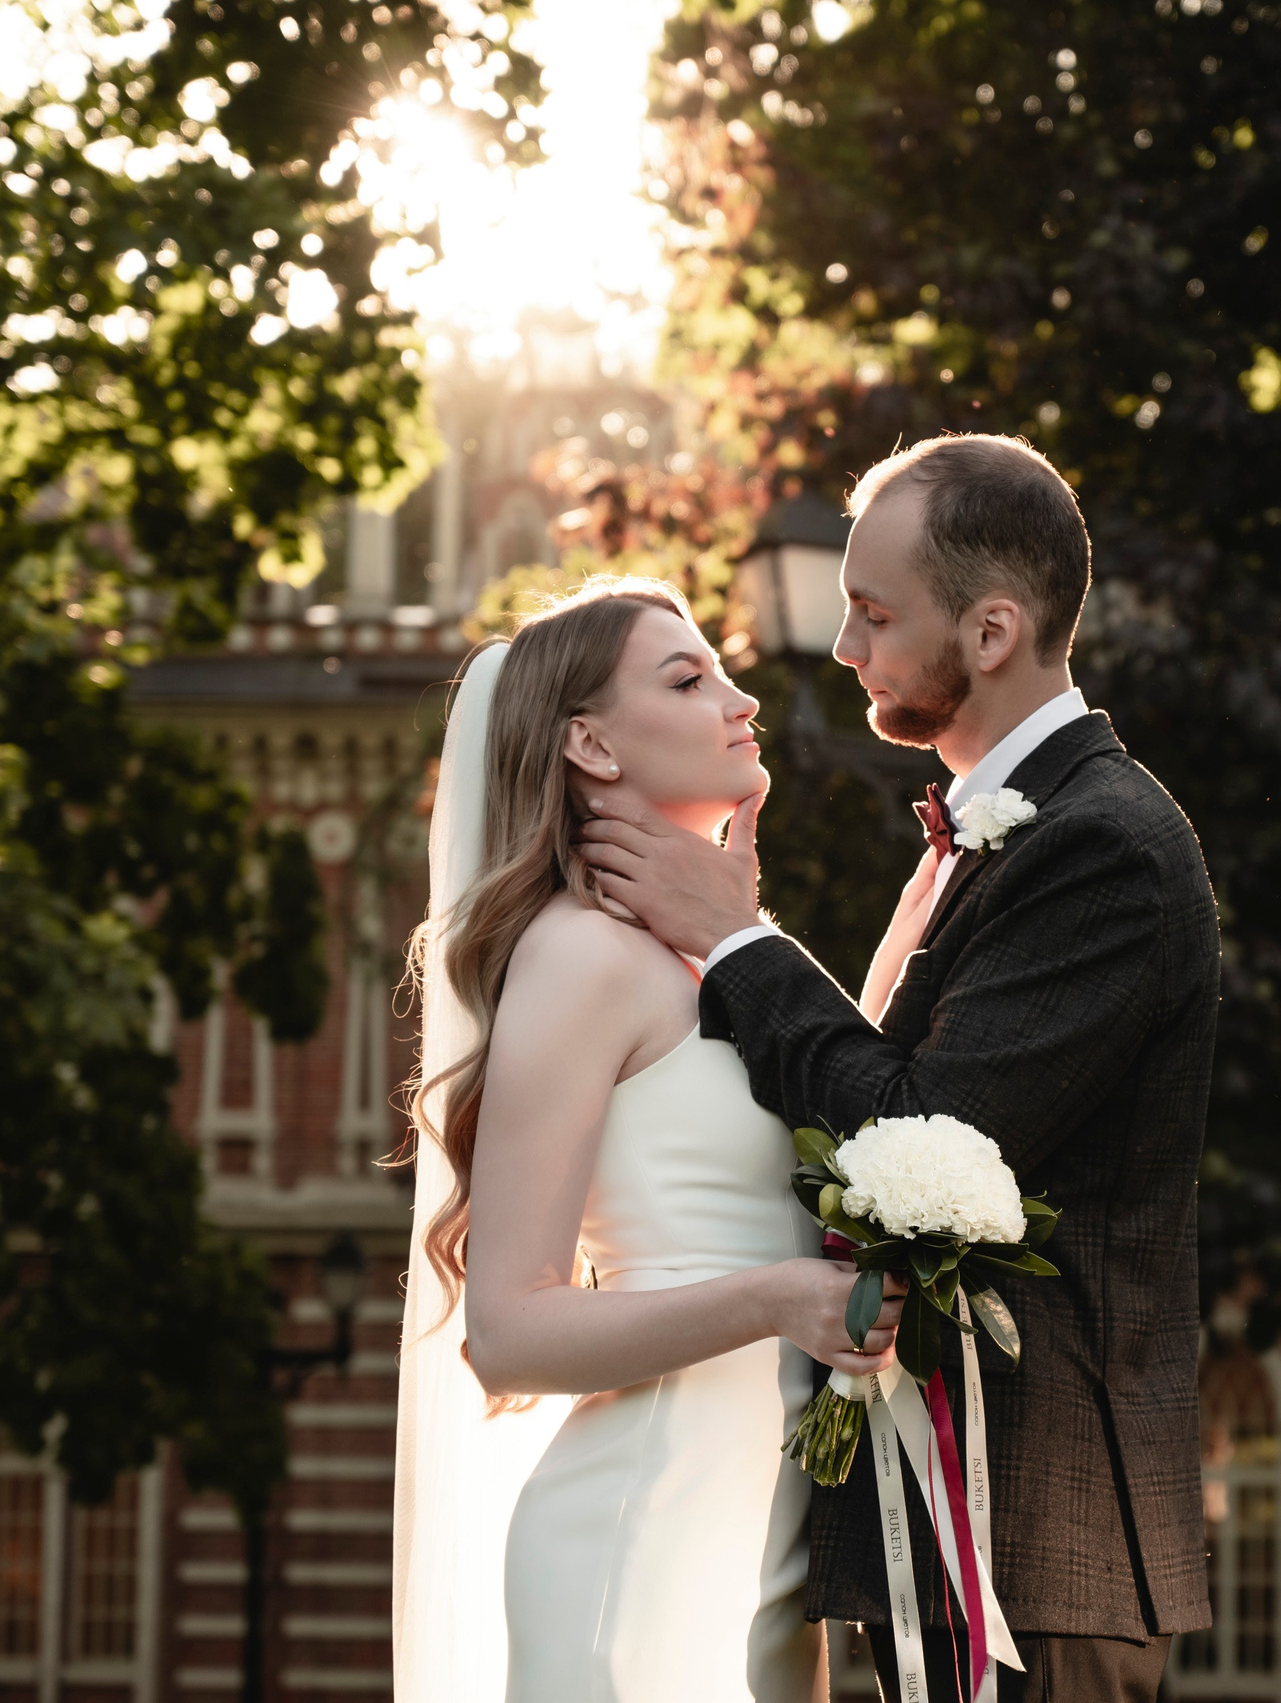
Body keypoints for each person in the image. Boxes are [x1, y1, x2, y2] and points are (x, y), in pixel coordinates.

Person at [580, 435, 1222, 1703]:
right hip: (943, 1522)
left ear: (990, 631)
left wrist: (732, 940)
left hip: (1033, 1533)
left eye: (874, 613)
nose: (840, 646)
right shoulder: (991, 831)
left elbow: (924, 1139)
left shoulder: (1103, 847)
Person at [397, 577, 905, 1703]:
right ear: (589, 742)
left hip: (762, 1528)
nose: (741, 699)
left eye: (722, 669)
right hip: (644, 1524)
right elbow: (509, 1327)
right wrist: (776, 1300)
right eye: (687, 679)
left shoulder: (717, 954)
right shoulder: (577, 955)